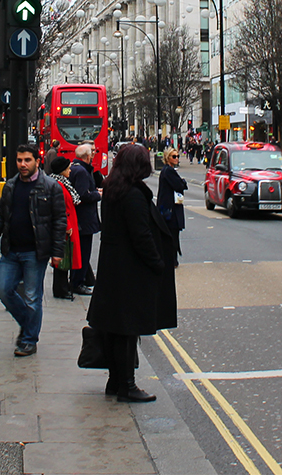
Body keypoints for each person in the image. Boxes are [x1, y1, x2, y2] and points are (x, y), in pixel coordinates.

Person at [87, 144, 175, 403]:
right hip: (130, 271)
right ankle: (127, 385)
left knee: (116, 328)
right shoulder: (133, 195)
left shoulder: (115, 189)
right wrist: (157, 263)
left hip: (114, 268)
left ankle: (115, 382)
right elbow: (141, 236)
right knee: (127, 330)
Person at [0, 145, 67, 357]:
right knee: (3, 289)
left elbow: (60, 221)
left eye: (27, 160)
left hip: (35, 252)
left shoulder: (51, 187)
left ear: (37, 161)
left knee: (32, 296)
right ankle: (28, 325)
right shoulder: (11, 186)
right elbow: (1, 216)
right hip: (11, 250)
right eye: (20, 160)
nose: (23, 164)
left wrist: (57, 252)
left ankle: (29, 340)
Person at [68, 143, 101, 295]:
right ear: (88, 156)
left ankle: (79, 280)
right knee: (83, 251)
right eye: (92, 152)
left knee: (80, 251)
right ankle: (77, 282)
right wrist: (97, 195)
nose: (94, 154)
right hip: (84, 220)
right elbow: (83, 195)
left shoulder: (74, 167)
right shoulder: (81, 171)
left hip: (79, 219)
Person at [48, 156, 81, 301]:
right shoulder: (59, 185)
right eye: (67, 168)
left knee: (66, 256)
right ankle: (60, 289)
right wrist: (66, 226)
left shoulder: (62, 183)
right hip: (66, 225)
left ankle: (63, 286)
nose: (70, 170)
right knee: (63, 256)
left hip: (69, 222)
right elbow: (59, 207)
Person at [156, 147, 187, 267]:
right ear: (168, 158)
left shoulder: (168, 171)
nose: (177, 158)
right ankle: (171, 260)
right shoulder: (168, 171)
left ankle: (172, 259)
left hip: (168, 208)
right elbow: (179, 185)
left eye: (178, 156)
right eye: (174, 156)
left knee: (172, 234)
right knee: (172, 234)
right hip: (170, 209)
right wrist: (183, 182)